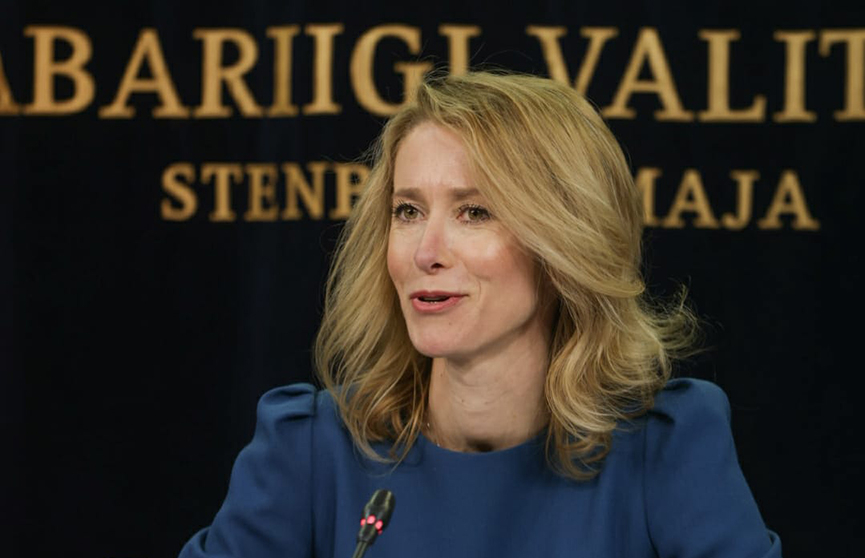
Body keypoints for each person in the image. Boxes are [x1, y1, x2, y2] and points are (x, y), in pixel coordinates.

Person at [178, 72, 782, 558]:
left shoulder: (665, 450)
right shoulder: (311, 451)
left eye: (475, 212)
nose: (426, 252)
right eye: (408, 211)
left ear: (562, 245)